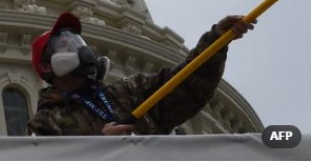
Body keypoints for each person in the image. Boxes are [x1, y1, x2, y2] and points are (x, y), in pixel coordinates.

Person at [27, 11, 254, 136]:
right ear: (47, 66)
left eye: (77, 42)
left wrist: (216, 40)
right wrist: (98, 147)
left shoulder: (128, 92)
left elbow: (186, 85)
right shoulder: (46, 124)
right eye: (65, 45)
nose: (79, 49)